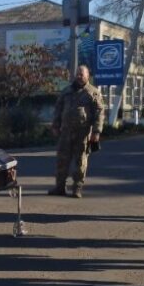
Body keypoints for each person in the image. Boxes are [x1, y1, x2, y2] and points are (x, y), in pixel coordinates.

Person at [48, 65, 104, 198]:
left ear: (87, 76)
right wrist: (55, 125)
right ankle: (59, 187)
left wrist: (96, 131)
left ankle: (77, 188)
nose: (79, 76)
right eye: (77, 74)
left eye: (82, 74)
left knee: (80, 161)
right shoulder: (66, 91)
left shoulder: (93, 92)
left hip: (83, 133)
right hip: (65, 132)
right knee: (62, 160)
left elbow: (100, 113)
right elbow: (58, 108)